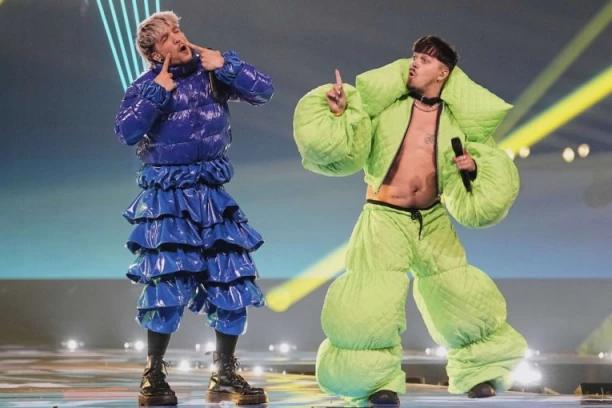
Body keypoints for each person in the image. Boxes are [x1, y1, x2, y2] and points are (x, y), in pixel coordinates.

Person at [293, 35, 527, 406]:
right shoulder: (387, 108)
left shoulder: (456, 121)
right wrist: (340, 113)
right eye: (414, 56)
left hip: (431, 218)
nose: (414, 62)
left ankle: (480, 371)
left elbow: (489, 165)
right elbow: (350, 150)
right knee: (372, 300)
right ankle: (375, 384)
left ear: (443, 72)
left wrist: (473, 167)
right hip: (384, 216)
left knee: (458, 291)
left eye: (424, 59)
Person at [114, 11, 273, 406]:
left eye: (178, 31)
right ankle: (153, 374)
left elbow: (264, 91)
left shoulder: (212, 73)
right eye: (167, 38)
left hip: (212, 195)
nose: (179, 39)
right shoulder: (146, 86)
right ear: (155, 53)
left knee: (231, 280)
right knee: (166, 285)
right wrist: (157, 93)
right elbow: (126, 132)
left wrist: (228, 66)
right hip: (168, 198)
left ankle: (225, 373)